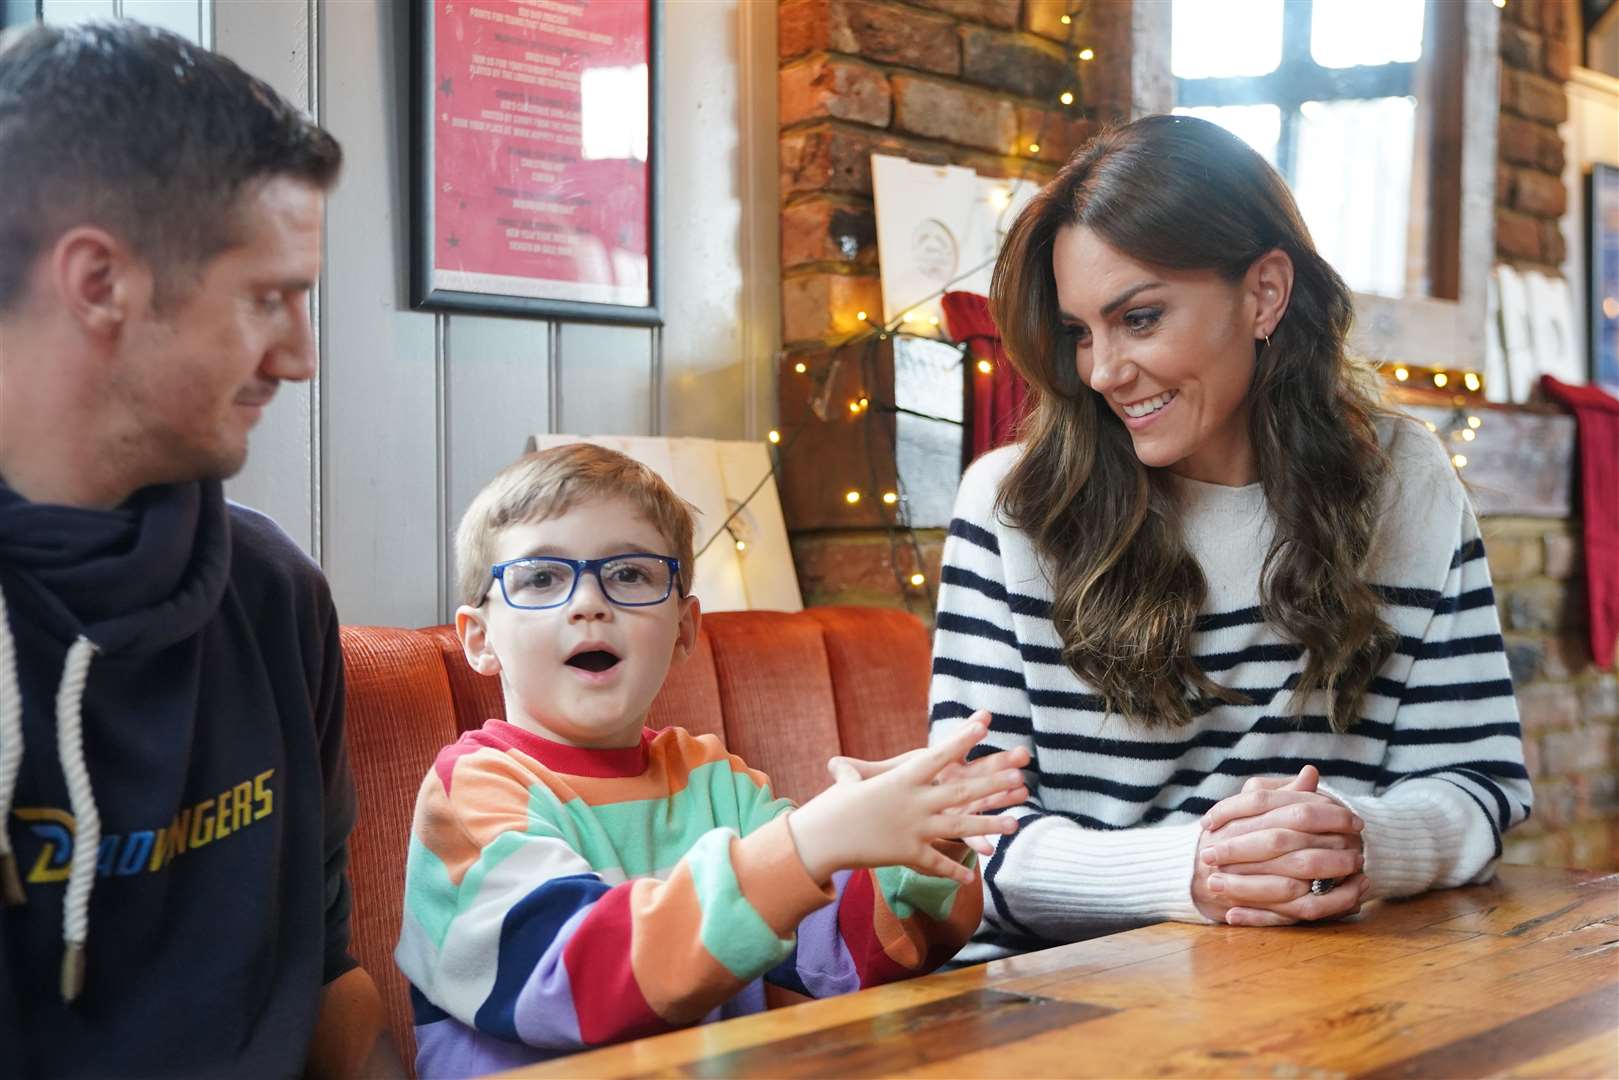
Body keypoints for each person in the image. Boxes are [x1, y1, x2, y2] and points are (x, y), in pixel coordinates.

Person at [929, 114, 1532, 966]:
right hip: (1055, 995)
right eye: (1078, 332)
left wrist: (1359, 841)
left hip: (1325, 980)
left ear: (1264, 294)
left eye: (1138, 318)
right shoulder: (1009, 504)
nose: (1102, 371)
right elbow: (965, 840)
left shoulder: (1404, 480)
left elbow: (1476, 782)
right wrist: (1196, 873)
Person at [0, 21, 401, 1077]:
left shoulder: (274, 596)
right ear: (98, 283)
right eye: (269, 297)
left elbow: (322, 973)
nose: (301, 359)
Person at [396, 444, 1029, 1076]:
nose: (588, 601)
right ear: (481, 639)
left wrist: (921, 841)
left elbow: (848, 957)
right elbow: (580, 978)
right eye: (541, 578)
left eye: (630, 574)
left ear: (684, 628)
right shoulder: (474, 793)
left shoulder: (713, 779)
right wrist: (807, 845)